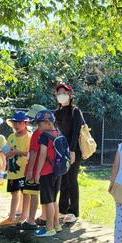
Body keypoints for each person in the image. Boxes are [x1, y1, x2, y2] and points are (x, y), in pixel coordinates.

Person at [54, 82, 82, 223]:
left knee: (71, 179)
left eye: (64, 93)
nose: (61, 95)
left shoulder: (75, 111)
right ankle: (62, 210)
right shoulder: (56, 113)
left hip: (73, 150)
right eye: (59, 93)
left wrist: (72, 151)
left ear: (70, 95)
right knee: (63, 180)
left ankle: (74, 212)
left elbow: (76, 132)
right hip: (60, 150)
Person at [0, 111, 31, 226]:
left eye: (19, 123)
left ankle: (24, 217)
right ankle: (11, 217)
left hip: (24, 171)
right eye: (15, 123)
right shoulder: (11, 136)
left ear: (26, 123)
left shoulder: (29, 137)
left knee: (25, 193)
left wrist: (17, 152)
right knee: (14, 193)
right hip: (12, 172)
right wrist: (7, 153)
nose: (16, 125)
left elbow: (31, 154)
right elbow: (6, 150)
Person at [33, 110, 62, 237]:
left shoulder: (44, 136)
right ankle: (57, 225)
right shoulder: (58, 133)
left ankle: (49, 228)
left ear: (48, 123)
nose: (38, 127)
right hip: (58, 171)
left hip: (46, 172)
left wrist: (37, 172)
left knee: (48, 200)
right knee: (54, 199)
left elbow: (43, 155)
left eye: (39, 124)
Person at [18, 104, 46, 230]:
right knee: (43, 194)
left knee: (32, 193)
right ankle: (44, 217)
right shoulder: (51, 132)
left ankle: (31, 221)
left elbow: (33, 152)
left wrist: (29, 170)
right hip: (44, 169)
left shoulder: (36, 133)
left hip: (34, 169)